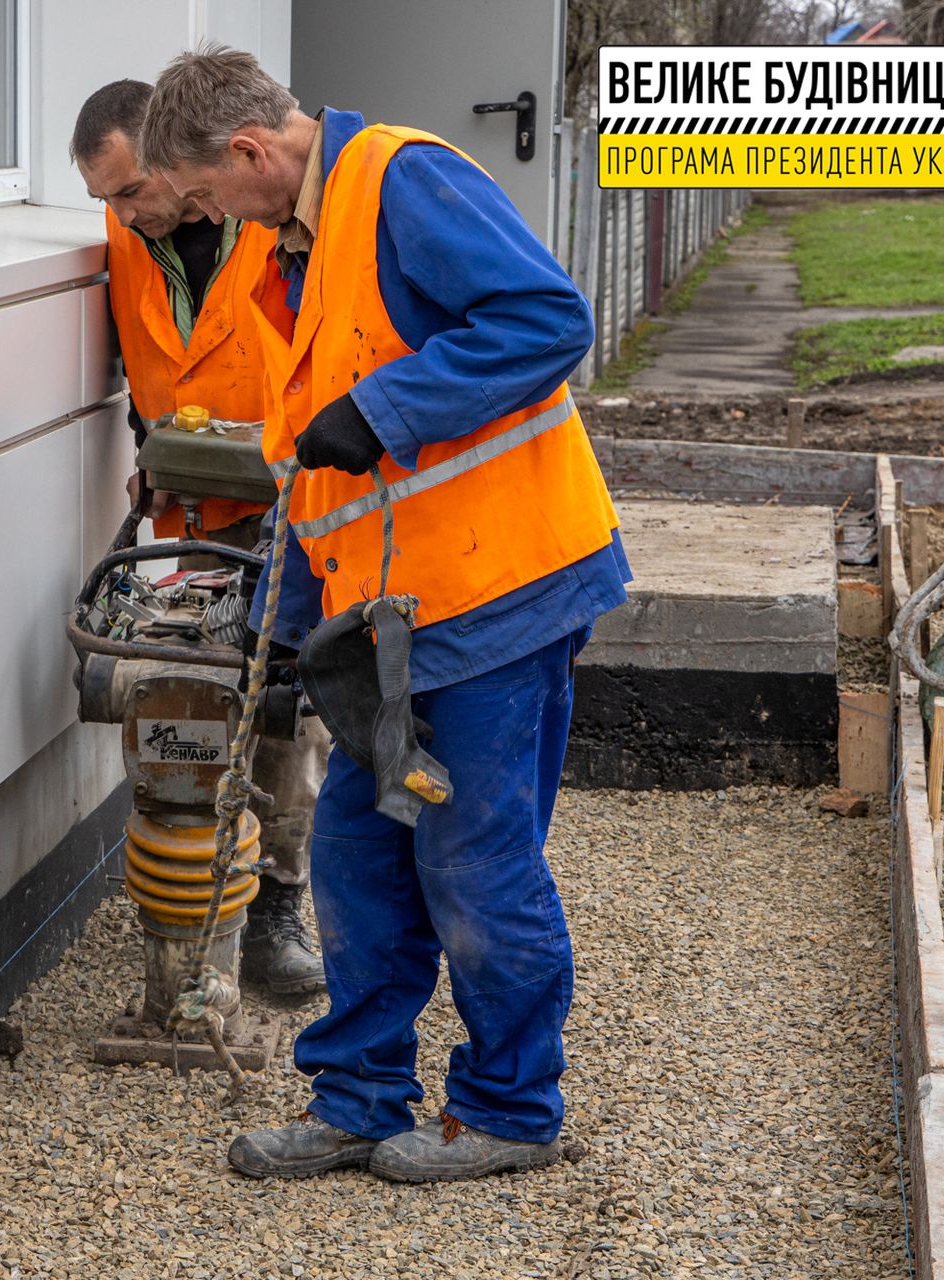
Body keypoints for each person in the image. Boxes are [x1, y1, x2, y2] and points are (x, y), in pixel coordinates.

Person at [140, 46, 631, 1183]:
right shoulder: (289, 253)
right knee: (360, 859)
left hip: (501, 591)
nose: (213, 221)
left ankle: (512, 1106)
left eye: (210, 197)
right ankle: (360, 1096)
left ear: (254, 152)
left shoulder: (401, 181)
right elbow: (316, 465)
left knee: (473, 860)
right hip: (389, 613)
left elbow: (548, 318)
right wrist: (281, 629)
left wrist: (387, 405)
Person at [71, 79, 330, 999]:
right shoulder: (128, 231)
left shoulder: (273, 219)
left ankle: (274, 909)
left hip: (291, 492)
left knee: (286, 711)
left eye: (132, 190)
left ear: (181, 164)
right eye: (104, 198)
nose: (121, 214)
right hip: (181, 503)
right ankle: (188, 889)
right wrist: (154, 445)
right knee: (185, 688)